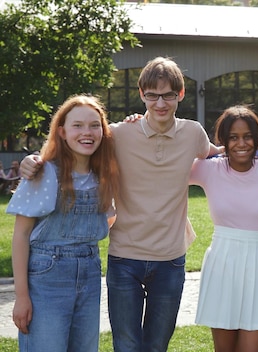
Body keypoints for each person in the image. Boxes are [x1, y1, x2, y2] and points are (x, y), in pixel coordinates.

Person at [20, 57, 221, 352]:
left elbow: (226, 152)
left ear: (180, 94)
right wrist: (35, 159)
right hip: (124, 258)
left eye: (167, 95)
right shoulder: (119, 133)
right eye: (152, 95)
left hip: (171, 259)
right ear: (142, 95)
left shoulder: (193, 133)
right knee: (126, 345)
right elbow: (77, 139)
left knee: (156, 345)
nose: (160, 103)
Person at [7, 94, 120, 351]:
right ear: (62, 132)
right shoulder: (43, 172)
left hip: (90, 274)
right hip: (47, 277)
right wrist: (21, 297)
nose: (86, 132)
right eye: (77, 125)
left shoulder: (103, 176)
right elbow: (21, 236)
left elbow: (106, 220)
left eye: (94, 125)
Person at [190, 106, 258, 351]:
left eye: (248, 137)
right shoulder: (208, 169)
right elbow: (169, 162)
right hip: (222, 264)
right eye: (233, 137)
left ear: (257, 138)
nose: (241, 143)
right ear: (223, 141)